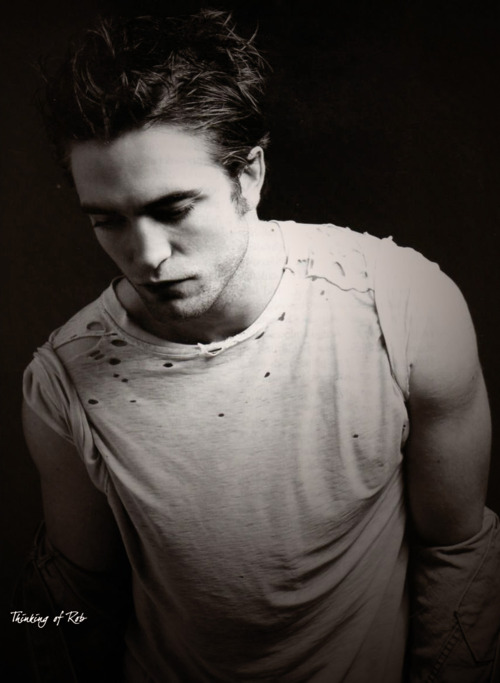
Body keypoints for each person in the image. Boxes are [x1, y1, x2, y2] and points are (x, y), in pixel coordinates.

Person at [19, 9, 500, 683]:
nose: (146, 255)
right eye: (108, 220)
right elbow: (72, 602)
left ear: (249, 176)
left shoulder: (403, 308)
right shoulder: (66, 380)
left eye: (173, 209)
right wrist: (22, 633)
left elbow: (459, 556)